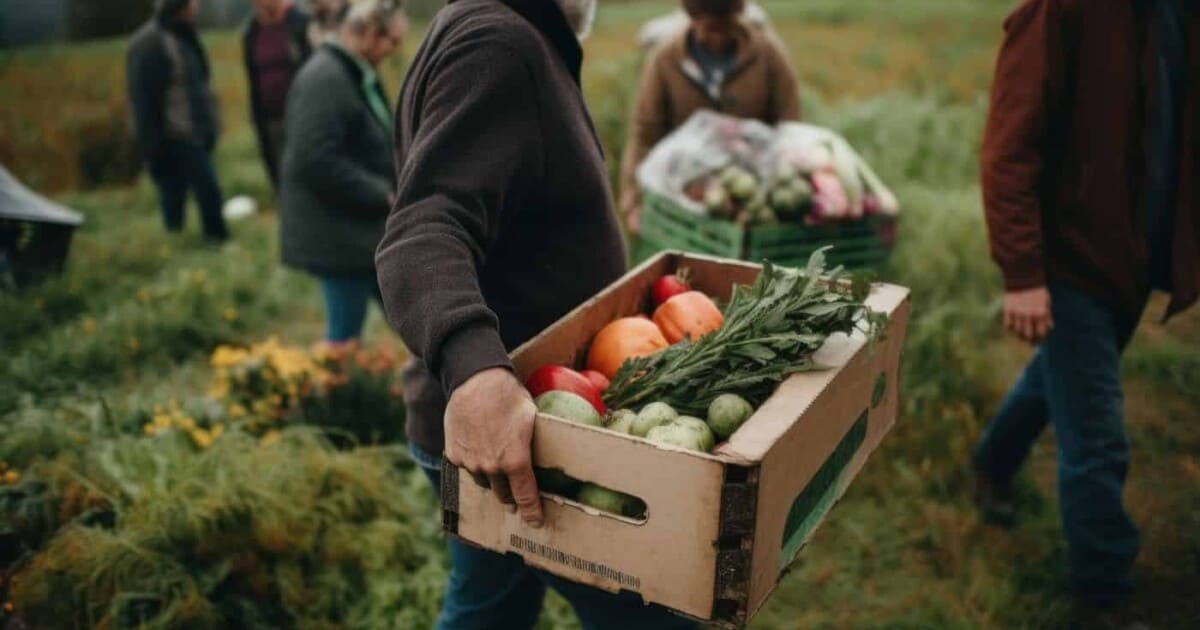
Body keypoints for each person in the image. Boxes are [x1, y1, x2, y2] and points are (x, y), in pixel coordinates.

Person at [375, 0, 695, 627]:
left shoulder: (512, 36)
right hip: (517, 435)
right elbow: (422, 229)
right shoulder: (498, 44)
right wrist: (475, 371)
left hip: (516, 434)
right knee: (649, 612)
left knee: (491, 603)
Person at [973, 1, 1196, 627]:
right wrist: (1022, 275)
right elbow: (1008, 149)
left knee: (1063, 377)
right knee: (1097, 437)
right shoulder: (1065, 9)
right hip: (1072, 258)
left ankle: (990, 464)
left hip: (1132, 257)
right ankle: (1104, 598)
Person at [279, 0, 407, 344]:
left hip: (356, 230)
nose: (391, 51)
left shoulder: (351, 71)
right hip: (337, 234)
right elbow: (315, 158)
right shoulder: (326, 78)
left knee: (401, 318)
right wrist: (380, 192)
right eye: (390, 42)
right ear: (366, 32)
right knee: (344, 331)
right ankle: (334, 393)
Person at [619, 0, 801, 231]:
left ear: (737, 15)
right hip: (682, 196)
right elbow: (645, 132)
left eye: (723, 26)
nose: (715, 36)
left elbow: (790, 127)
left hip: (748, 200)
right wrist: (633, 201)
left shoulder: (767, 55)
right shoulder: (666, 60)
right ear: (692, 17)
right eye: (708, 27)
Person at [126, 0, 229, 243]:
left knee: (180, 193)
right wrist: (151, 145)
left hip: (196, 130)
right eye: (193, 4)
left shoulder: (187, 36)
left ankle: (180, 241)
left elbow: (201, 82)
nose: (197, 8)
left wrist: (211, 123)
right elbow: (141, 99)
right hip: (173, 134)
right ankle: (213, 242)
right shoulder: (149, 43)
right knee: (204, 191)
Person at [242, 0, 313, 189]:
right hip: (272, 121)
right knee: (284, 181)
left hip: (303, 117)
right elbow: (253, 81)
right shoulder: (252, 32)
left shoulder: (299, 23)